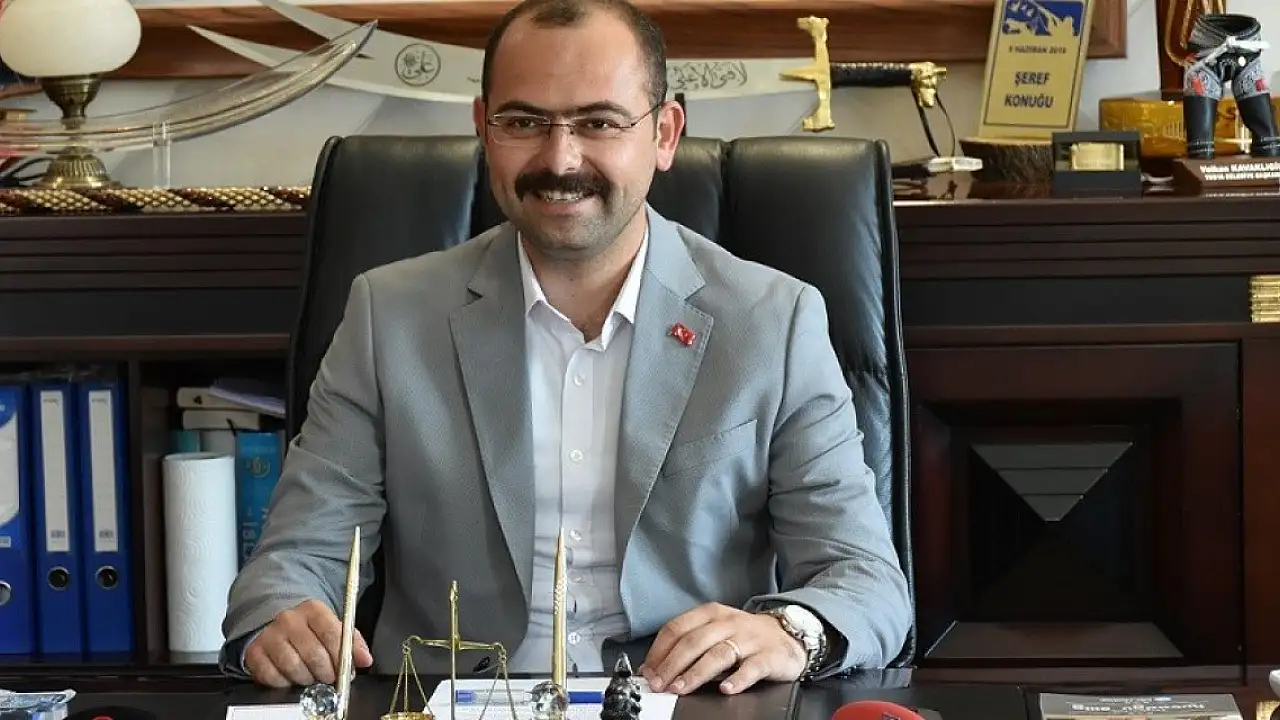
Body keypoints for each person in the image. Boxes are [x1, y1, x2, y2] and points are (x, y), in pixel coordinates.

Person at [219, 0, 912, 697]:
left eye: (599, 122)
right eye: (523, 122)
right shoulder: (389, 316)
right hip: (450, 705)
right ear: (483, 129)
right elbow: (295, 558)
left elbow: (865, 580)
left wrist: (790, 631)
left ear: (664, 133)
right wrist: (282, 620)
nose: (560, 159)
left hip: (685, 704)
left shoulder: (773, 322)